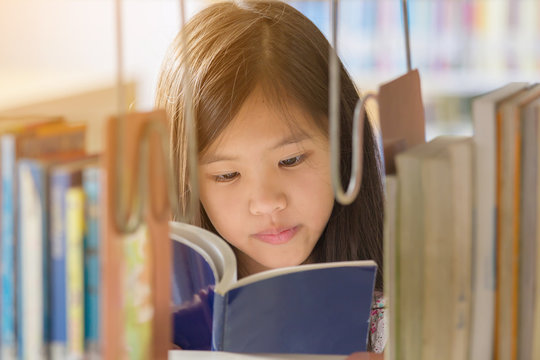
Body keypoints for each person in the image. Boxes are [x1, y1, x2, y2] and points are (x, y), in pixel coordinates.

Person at [155, 0, 386, 353]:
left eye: (291, 159)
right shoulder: (151, 317)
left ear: (344, 144)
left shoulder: (406, 311)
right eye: (227, 174)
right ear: (184, 180)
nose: (267, 202)